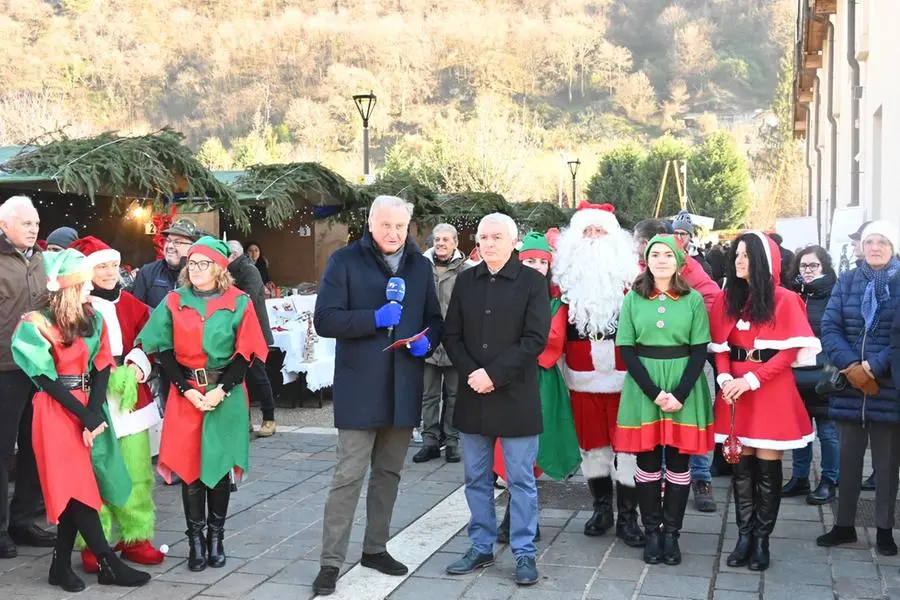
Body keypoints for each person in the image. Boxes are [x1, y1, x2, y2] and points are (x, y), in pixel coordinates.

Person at [311, 196, 443, 596]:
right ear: (371, 225)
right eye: (385, 225)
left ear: (409, 227)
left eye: (400, 227)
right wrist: (373, 318)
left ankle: (375, 548)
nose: (393, 233)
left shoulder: (420, 267)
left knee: (389, 474)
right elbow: (325, 319)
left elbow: (434, 319)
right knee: (348, 476)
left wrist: (428, 341)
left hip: (403, 387)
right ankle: (331, 562)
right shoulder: (344, 262)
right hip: (359, 387)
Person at [11, 248, 151, 591]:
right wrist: (84, 416)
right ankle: (107, 561)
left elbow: (102, 365)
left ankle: (61, 565)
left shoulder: (93, 319)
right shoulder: (36, 323)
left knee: (82, 485)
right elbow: (42, 378)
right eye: (84, 283)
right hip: (56, 409)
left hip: (89, 405)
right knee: (77, 488)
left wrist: (94, 413)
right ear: (70, 286)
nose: (90, 289)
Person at [137, 236, 268, 572]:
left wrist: (221, 390)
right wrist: (186, 390)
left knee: (219, 468)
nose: (194, 269)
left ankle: (217, 538)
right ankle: (195, 540)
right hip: (187, 394)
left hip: (226, 393)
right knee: (191, 470)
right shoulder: (174, 301)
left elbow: (246, 353)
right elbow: (162, 350)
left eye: (202, 263)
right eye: (191, 263)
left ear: (219, 267)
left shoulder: (239, 302)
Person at [442, 214, 550, 586]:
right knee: (475, 478)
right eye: (483, 237)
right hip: (474, 394)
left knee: (520, 480)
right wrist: (474, 373)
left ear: (513, 241)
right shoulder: (466, 280)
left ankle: (523, 551)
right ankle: (481, 546)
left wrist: (494, 374)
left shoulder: (533, 282)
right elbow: (451, 333)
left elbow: (535, 339)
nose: (488, 243)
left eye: (497, 237)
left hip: (515, 395)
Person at [710, 232, 819, 572]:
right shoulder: (727, 298)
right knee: (740, 467)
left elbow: (789, 351)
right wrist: (726, 378)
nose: (738, 261)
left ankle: (762, 540)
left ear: (763, 261)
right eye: (736, 255)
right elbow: (722, 347)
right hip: (735, 390)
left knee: (768, 467)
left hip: (770, 388)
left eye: (745, 256)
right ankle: (743, 536)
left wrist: (752, 380)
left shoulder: (785, 299)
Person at [67, 236, 165, 572]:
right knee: (96, 472)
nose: (109, 273)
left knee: (137, 470)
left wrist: (139, 362)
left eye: (112, 265)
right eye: (100, 266)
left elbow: (150, 338)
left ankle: (135, 536)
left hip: (130, 399)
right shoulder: (75, 306)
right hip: (92, 400)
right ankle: (96, 542)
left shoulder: (133, 305)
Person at [615, 234, 713, 565]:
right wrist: (654, 392)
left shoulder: (693, 299)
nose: (661, 260)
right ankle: (652, 531)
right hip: (645, 386)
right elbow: (626, 348)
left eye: (667, 255)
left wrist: (680, 393)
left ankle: (672, 534)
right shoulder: (633, 298)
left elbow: (700, 349)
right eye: (654, 254)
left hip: (683, 386)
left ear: (678, 261)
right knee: (648, 463)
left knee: (679, 464)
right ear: (647, 259)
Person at [552, 201, 644, 547]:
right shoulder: (563, 281)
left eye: (600, 231)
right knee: (592, 447)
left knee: (628, 448)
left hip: (626, 378)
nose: (593, 238)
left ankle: (629, 516)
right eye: (587, 231)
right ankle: (602, 507)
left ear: (614, 238)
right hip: (581, 375)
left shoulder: (634, 281)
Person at [817, 220, 900, 555]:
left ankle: (883, 529)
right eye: (869, 242)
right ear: (861, 247)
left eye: (882, 241)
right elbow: (830, 325)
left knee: (887, 464)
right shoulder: (848, 281)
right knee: (848, 460)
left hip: (888, 386)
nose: (875, 247)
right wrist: (851, 366)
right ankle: (844, 526)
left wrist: (874, 366)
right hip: (850, 385)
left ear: (893, 247)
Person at [495, 231, 581, 544]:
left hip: (540, 380)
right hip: (507, 378)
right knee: (507, 451)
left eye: (540, 262)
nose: (534, 266)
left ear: (548, 267)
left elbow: (551, 342)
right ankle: (516, 516)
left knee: (532, 452)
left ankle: (521, 518)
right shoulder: (502, 294)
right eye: (528, 260)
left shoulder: (558, 303)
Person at [633, 218, 720, 512]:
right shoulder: (637, 282)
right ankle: (654, 513)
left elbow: (711, 297)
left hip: (682, 366)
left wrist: (683, 323)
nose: (659, 257)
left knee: (683, 438)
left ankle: (700, 479)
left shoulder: (690, 277)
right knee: (653, 443)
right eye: (650, 252)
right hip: (648, 371)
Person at [0, 195, 56, 558]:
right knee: (2, 453)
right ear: (4, 225)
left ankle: (23, 520)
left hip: (39, 367)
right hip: (3, 368)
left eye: (36, 223)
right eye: (26, 223)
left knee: (36, 446)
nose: (34, 229)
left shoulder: (40, 259)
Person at [781, 245, 839, 504]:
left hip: (825, 371)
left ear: (824, 267)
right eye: (803, 265)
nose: (807, 271)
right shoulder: (792, 293)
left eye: (813, 265)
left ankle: (829, 480)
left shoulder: (834, 294)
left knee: (827, 432)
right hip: (796, 372)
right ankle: (800, 477)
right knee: (800, 430)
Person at [415, 223, 470, 464]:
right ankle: (429, 441)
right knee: (428, 395)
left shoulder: (466, 271)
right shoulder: (420, 268)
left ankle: (452, 441)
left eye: (446, 239)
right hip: (426, 341)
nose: (441, 243)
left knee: (455, 395)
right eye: (437, 239)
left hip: (456, 343)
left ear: (455, 243)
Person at [227, 240, 277, 437]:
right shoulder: (228, 270)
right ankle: (244, 421)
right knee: (237, 378)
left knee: (258, 375)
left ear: (234, 254)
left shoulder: (249, 270)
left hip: (253, 331)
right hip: (236, 332)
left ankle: (269, 418)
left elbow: (246, 299)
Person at [672, 210, 712, 277]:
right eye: (675, 233)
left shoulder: (701, 264)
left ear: (690, 237)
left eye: (683, 234)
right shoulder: (664, 257)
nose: (678, 237)